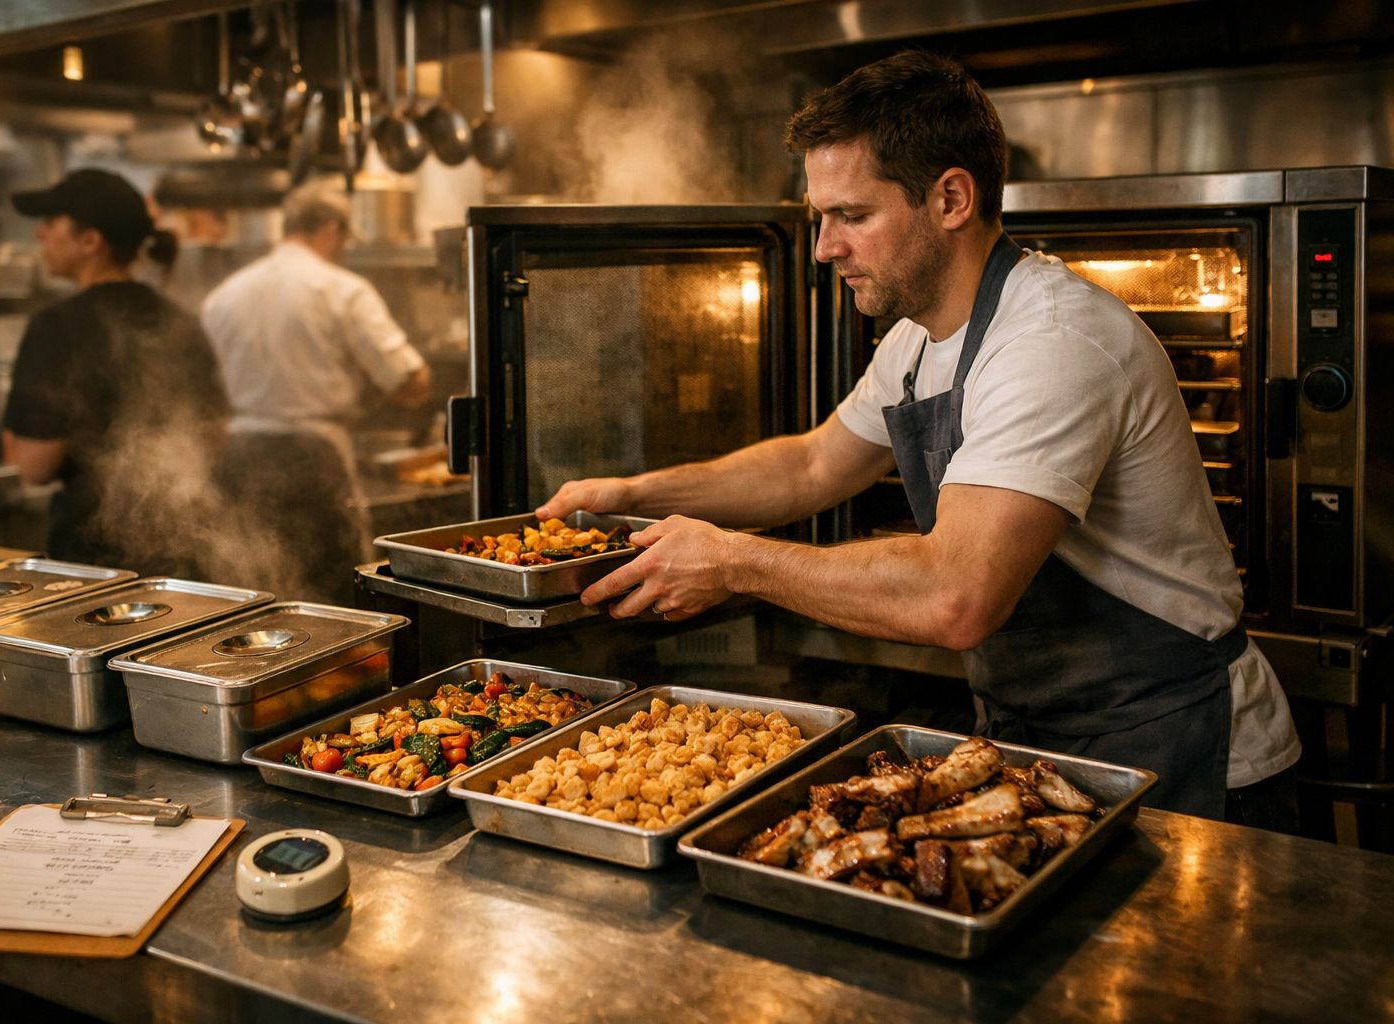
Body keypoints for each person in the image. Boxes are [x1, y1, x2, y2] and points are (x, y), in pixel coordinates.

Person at [540, 52, 1300, 825]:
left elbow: (956, 596)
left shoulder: (1052, 340)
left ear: (951, 199)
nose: (824, 248)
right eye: (821, 218)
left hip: (1180, 746)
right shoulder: (918, 338)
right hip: (1038, 739)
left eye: (852, 216)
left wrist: (736, 562)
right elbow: (811, 466)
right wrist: (631, 496)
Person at [201, 183, 430, 602]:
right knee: (329, 587)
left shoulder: (223, 296)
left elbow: (208, 391)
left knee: (250, 583)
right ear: (330, 228)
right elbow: (409, 381)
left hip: (240, 454)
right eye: (345, 239)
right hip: (312, 457)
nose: (344, 249)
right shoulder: (342, 289)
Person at [2, 168, 230, 575]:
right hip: (185, 542)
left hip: (95, 555)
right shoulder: (179, 321)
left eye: (51, 223)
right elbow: (214, 438)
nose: (39, 235)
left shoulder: (56, 328)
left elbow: (33, 468)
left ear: (90, 241)